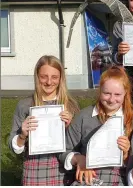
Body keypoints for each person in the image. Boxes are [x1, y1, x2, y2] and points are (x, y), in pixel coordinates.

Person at [59, 66, 133, 186]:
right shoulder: (83, 116)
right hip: (87, 179)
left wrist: (127, 153)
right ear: (99, 90)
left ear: (125, 94)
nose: (112, 99)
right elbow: (64, 150)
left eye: (117, 94)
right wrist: (78, 159)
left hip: (117, 180)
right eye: (106, 93)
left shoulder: (132, 120)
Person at [8, 55, 80, 186]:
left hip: (64, 170)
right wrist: (22, 135)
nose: (48, 82)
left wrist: (71, 126)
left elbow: (79, 143)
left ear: (61, 79)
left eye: (54, 77)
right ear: (37, 77)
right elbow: (14, 148)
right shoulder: (24, 105)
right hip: (34, 170)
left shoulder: (71, 105)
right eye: (43, 77)